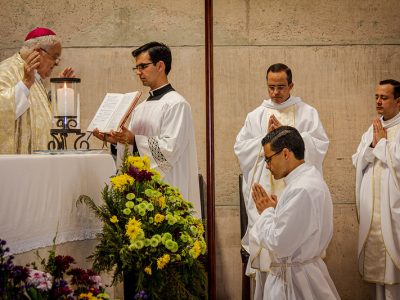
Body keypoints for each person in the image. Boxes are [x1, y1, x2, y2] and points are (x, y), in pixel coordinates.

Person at [234, 63, 329, 277]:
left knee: (290, 241)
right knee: (268, 261)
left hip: (295, 194)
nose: (275, 93)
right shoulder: (256, 116)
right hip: (267, 191)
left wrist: (288, 135)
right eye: (271, 87)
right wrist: (264, 141)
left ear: (291, 85)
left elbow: (320, 146)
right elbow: (240, 150)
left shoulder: (307, 113)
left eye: (281, 87)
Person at [93, 42, 201, 218]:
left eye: (143, 66)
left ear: (160, 66)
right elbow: (133, 146)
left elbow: (169, 149)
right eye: (136, 68)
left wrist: (134, 140)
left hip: (168, 187)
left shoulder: (177, 104)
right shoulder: (140, 107)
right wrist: (117, 141)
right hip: (141, 192)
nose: (138, 72)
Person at [249, 126, 340, 300]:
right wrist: (277, 212)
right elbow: (297, 230)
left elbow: (279, 243)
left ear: (285, 153)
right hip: (302, 274)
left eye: (268, 159)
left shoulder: (301, 189)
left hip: (295, 283)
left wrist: (266, 212)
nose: (267, 166)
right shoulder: (307, 179)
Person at [352, 79, 400, 300]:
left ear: (398, 101)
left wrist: (382, 144)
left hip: (392, 213)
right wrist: (373, 145)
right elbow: (358, 160)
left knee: (393, 277)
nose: (378, 102)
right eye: (376, 97)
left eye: (384, 97)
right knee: (377, 279)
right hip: (374, 214)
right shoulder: (372, 128)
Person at [0, 27, 75, 154]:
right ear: (37, 52)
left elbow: (42, 118)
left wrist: (61, 94)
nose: (56, 64)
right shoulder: (6, 70)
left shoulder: (35, 77)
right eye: (55, 57)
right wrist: (25, 84)